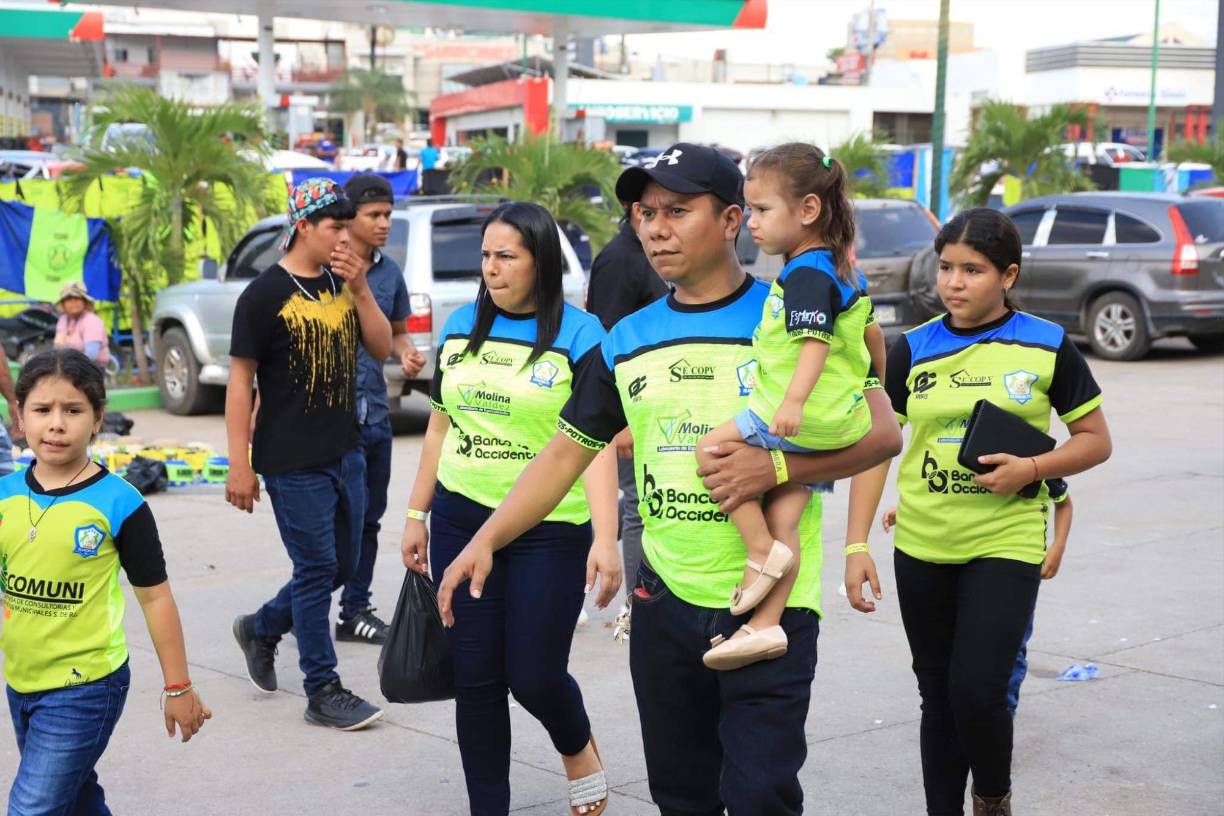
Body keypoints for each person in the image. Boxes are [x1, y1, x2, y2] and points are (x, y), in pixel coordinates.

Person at [434, 143, 902, 815]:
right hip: (664, 603)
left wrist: (777, 467)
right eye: (645, 213)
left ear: (734, 219)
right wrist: (486, 537)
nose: (655, 228)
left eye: (677, 211)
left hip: (771, 603)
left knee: (760, 794)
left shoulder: (794, 313)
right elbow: (564, 455)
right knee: (681, 796)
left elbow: (881, 434)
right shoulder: (625, 340)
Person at [842, 207, 1111, 816]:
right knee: (936, 695)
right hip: (921, 545)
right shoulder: (911, 349)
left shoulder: (1047, 345)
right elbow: (877, 447)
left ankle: (992, 798)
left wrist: (1033, 470)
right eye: (945, 268)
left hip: (1005, 540)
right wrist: (857, 544)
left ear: (1008, 275)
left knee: (979, 690)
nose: (954, 283)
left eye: (973, 270)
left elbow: (1095, 440)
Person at [399, 201, 620, 816]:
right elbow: (439, 429)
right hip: (462, 519)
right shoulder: (460, 327)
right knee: (476, 681)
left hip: (551, 529)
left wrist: (607, 537)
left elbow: (594, 446)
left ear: (539, 262)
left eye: (507, 256)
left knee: (535, 675)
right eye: (485, 256)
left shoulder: (582, 335)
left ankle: (578, 747)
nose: (491, 269)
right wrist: (418, 514)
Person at [694, 143, 884, 670]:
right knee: (787, 517)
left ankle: (759, 552)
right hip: (836, 421)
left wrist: (794, 403)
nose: (750, 222)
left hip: (796, 416)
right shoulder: (842, 268)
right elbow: (874, 341)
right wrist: (872, 390)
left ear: (807, 211)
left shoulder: (806, 274)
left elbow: (814, 343)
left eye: (761, 210)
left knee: (709, 449)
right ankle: (766, 626)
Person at [1, 349, 211, 813]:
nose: (56, 424)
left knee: (32, 807)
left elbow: (156, 598)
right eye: (42, 410)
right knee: (74, 798)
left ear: (98, 419)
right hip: (20, 679)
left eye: (72, 410)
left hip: (86, 685)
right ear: (19, 416)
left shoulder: (121, 502)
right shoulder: (5, 494)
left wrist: (178, 686)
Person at [224, 177, 391, 731]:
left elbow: (382, 347)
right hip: (291, 459)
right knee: (317, 567)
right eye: (335, 227)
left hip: (347, 451)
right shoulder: (263, 295)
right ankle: (323, 688)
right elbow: (239, 383)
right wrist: (240, 463)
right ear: (303, 227)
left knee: (343, 565)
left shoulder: (345, 284)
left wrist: (362, 289)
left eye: (349, 226)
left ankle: (263, 627)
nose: (346, 237)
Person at [328, 174, 427, 645]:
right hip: (334, 421)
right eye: (375, 215)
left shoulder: (389, 274)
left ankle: (354, 610)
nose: (385, 223)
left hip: (377, 416)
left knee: (370, 519)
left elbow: (396, 331)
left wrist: (405, 353)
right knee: (334, 526)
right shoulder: (325, 270)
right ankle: (297, 610)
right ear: (351, 219)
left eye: (388, 214)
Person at [881, 476, 1074, 717]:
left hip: (1012, 564)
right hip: (958, 561)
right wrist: (905, 511)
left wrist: (1058, 547)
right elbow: (954, 501)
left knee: (1010, 653)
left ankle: (1003, 710)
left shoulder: (1031, 457)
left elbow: (1064, 503)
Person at [584, 200, 670, 631]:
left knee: (642, 502)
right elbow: (605, 341)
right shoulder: (620, 260)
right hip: (628, 410)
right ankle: (639, 604)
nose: (662, 225)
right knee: (637, 504)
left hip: (660, 409)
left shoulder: (655, 257)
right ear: (634, 212)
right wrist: (617, 421)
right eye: (653, 212)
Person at [53, 282, 110, 369]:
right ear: (63, 303)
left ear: (85, 301)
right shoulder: (63, 320)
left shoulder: (91, 320)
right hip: (68, 367)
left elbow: (91, 355)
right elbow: (58, 347)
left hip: (91, 369)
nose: (73, 301)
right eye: (69, 298)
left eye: (77, 298)